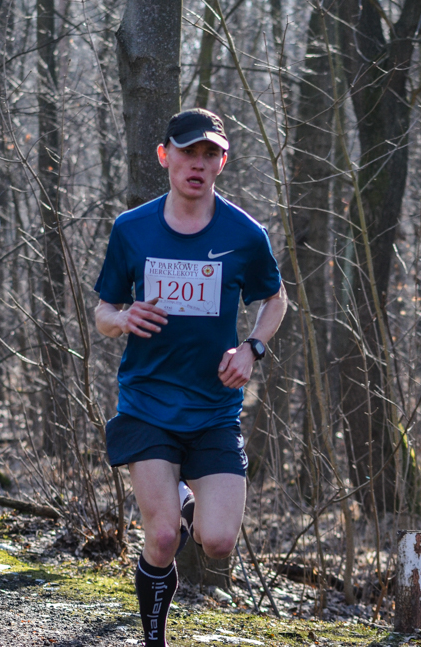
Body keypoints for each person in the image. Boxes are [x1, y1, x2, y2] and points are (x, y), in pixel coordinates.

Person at [94, 108, 287, 647]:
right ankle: (153, 638)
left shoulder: (244, 234)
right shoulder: (132, 229)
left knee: (218, 542)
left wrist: (253, 348)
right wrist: (124, 317)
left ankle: (185, 494)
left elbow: (276, 298)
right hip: (148, 406)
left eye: (209, 154)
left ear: (222, 162)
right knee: (160, 537)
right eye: (187, 152)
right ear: (165, 156)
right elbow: (103, 312)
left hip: (214, 411)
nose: (197, 164)